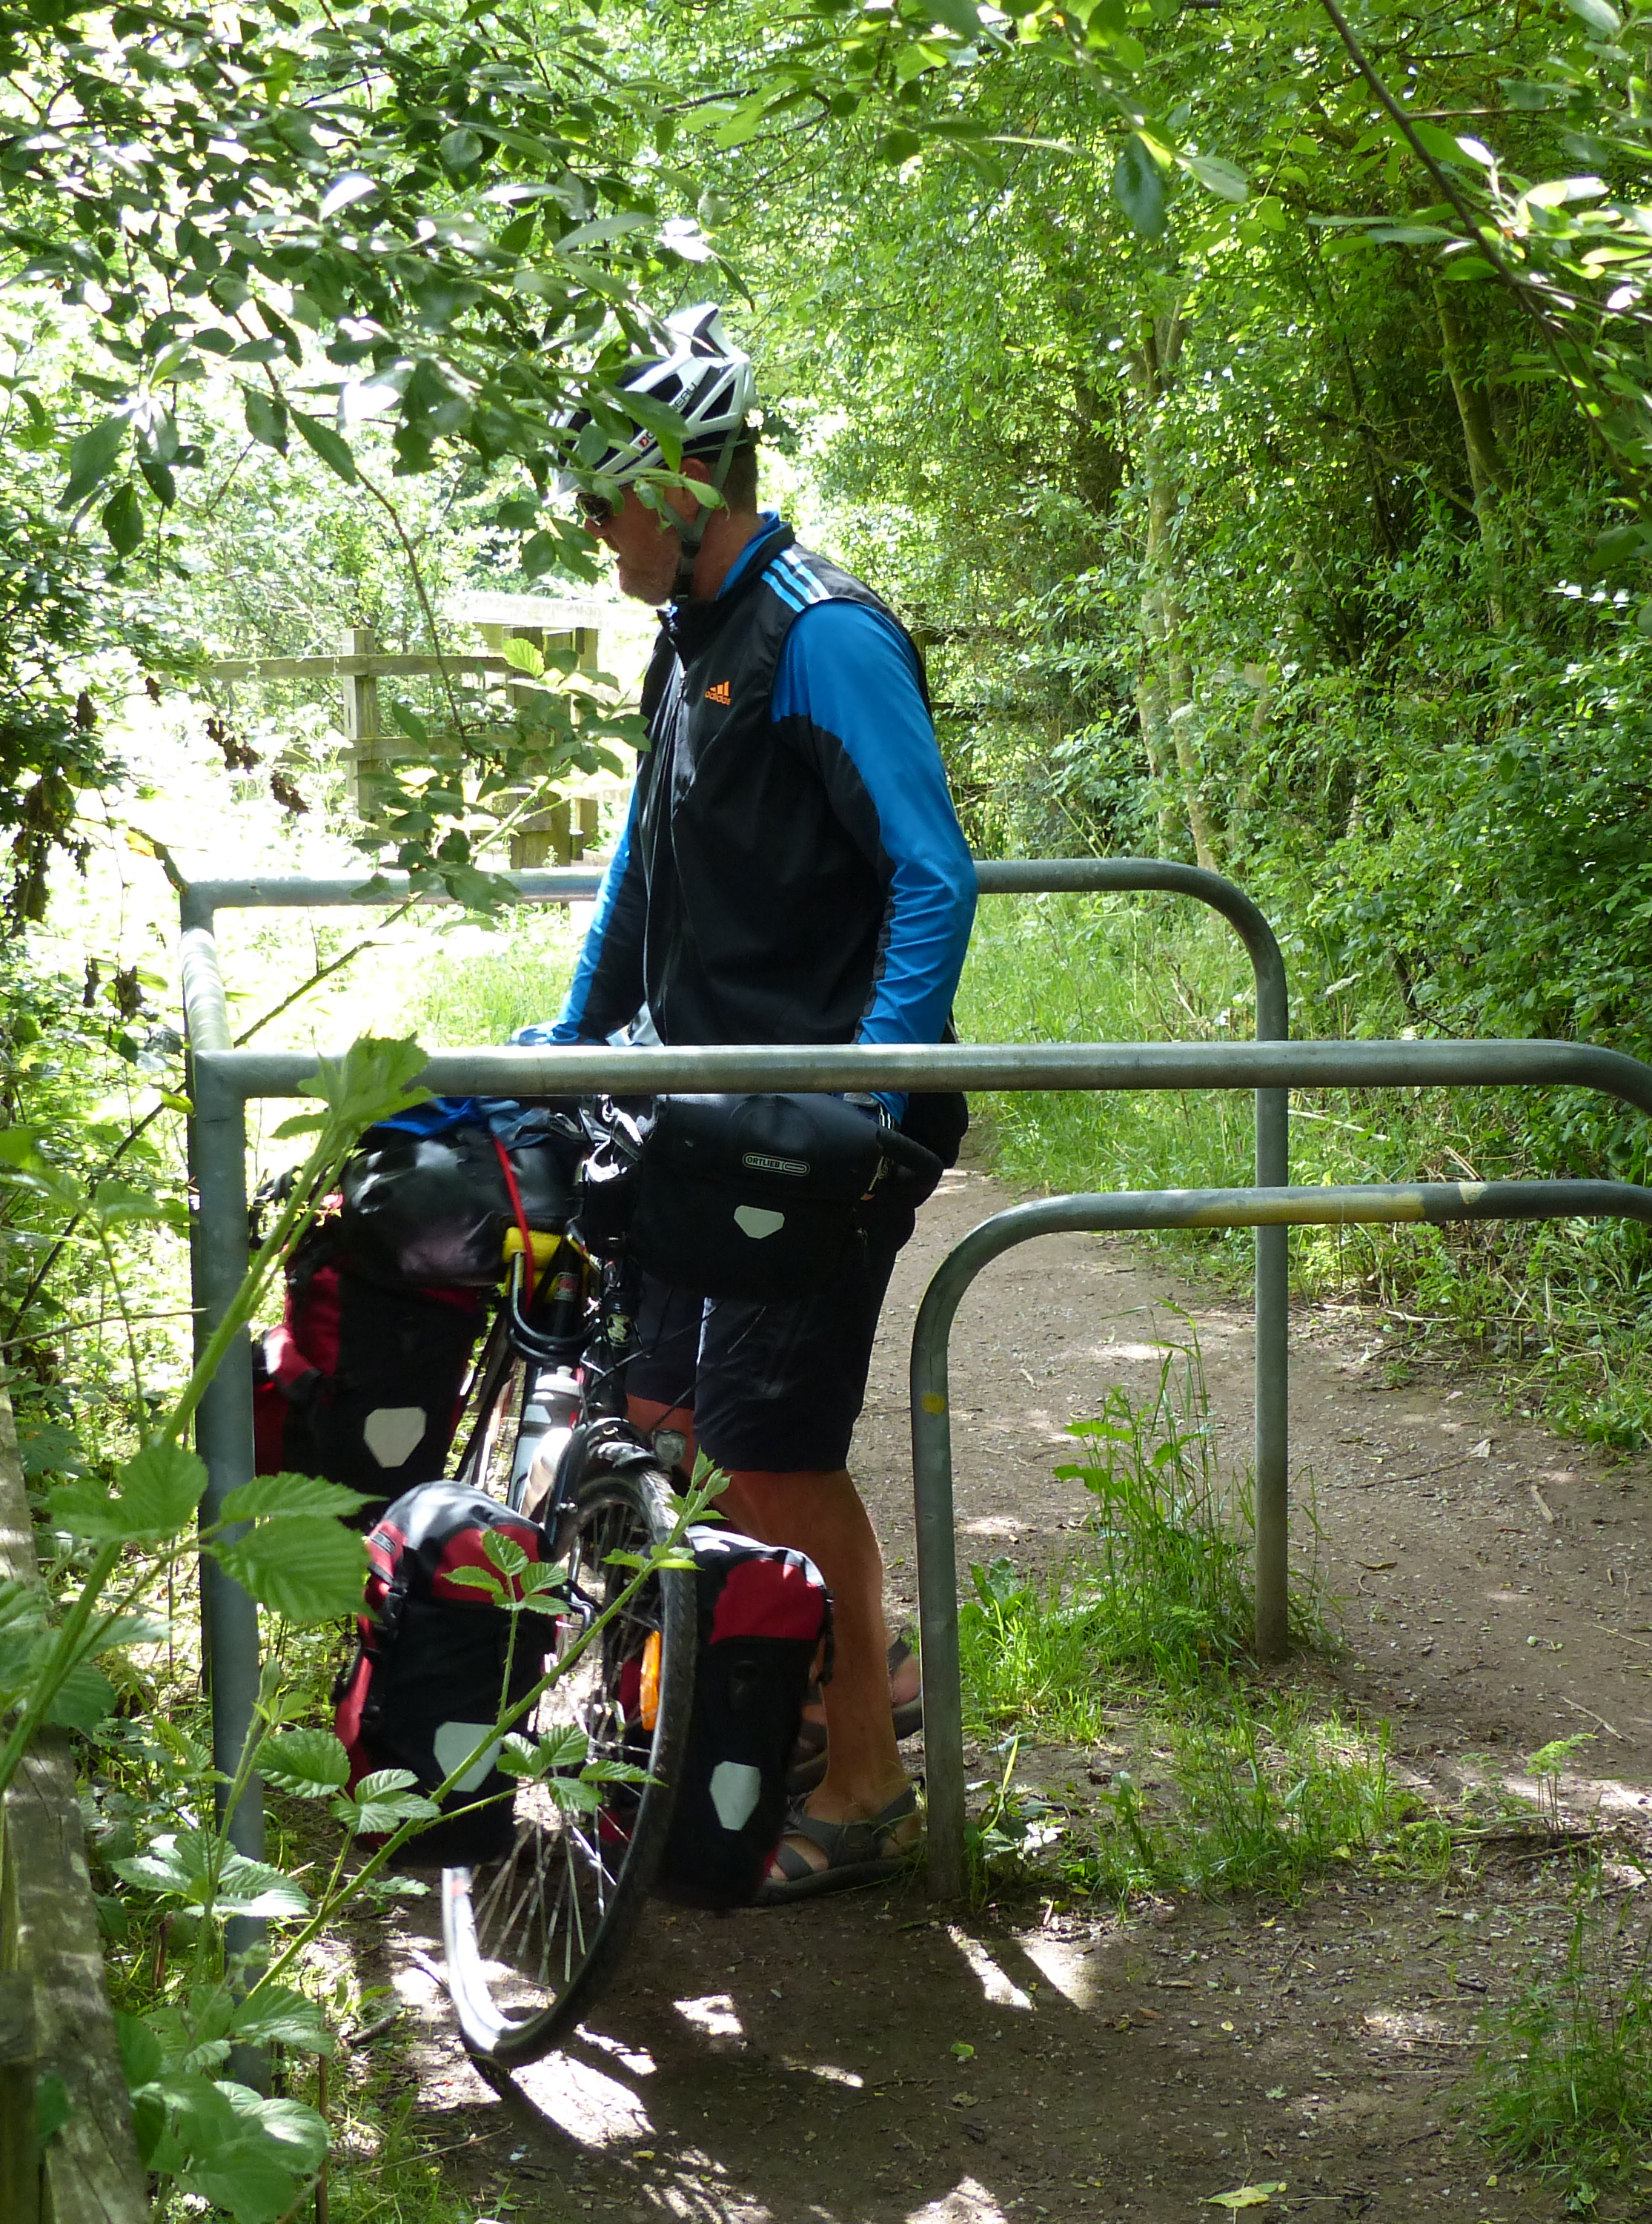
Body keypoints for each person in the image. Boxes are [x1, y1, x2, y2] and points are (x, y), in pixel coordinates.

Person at [540, 305, 976, 1901]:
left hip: (811, 1132)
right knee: (660, 1419)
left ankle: (866, 1785)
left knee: (771, 1454)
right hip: (691, 1108)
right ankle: (823, 1681)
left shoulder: (821, 636)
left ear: (681, 485)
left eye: (607, 502)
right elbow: (639, 868)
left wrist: (867, 1095)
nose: (595, 531)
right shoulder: (690, 633)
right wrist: (571, 1044)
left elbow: (933, 876)